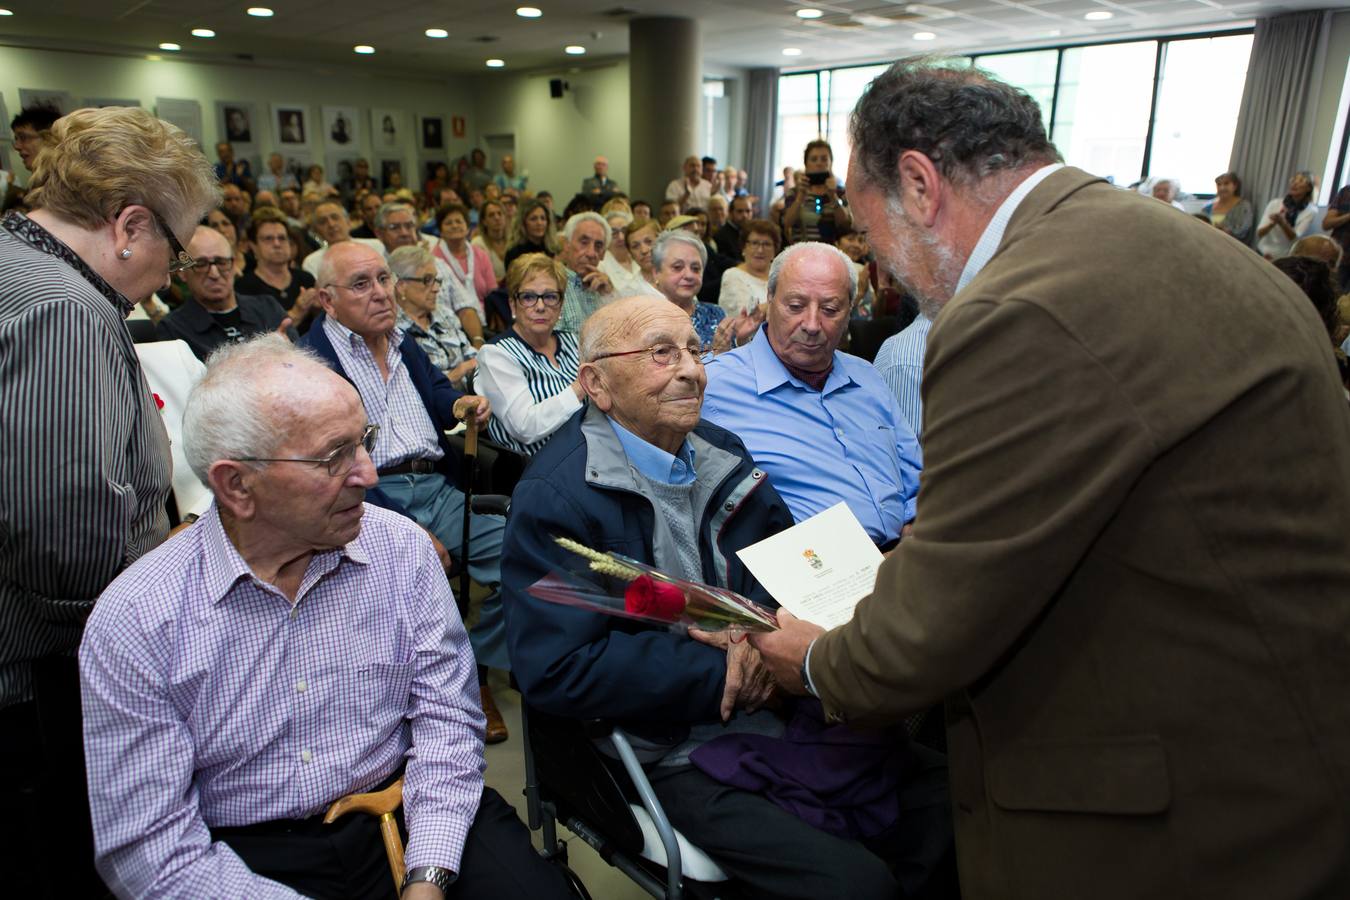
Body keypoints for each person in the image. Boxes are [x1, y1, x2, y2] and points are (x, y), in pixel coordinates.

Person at [750, 57, 1350, 898]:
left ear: (919, 185)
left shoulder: (1015, 308)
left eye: (867, 227)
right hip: (1282, 760)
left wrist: (812, 661)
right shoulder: (1193, 248)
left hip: (1164, 820)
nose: (877, 267)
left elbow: (928, 636)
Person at [80, 335, 573, 900]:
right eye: (333, 456)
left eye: (363, 441)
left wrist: (428, 873)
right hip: (250, 855)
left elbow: (447, 723)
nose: (367, 474)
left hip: (415, 802)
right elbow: (150, 851)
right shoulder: (139, 616)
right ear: (236, 485)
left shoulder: (399, 549)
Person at [502, 294, 949, 900]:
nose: (691, 369)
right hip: (665, 747)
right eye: (662, 354)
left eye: (694, 349)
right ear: (597, 385)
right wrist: (721, 668)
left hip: (774, 708)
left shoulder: (721, 452)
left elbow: (782, 568)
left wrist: (784, 628)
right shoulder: (559, 497)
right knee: (854, 883)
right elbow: (558, 668)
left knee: (947, 806)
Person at [0, 104, 218, 896]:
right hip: (36, 678)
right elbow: (63, 532)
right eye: (177, 247)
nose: (170, 275)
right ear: (129, 225)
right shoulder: (67, 308)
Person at [299, 242, 512, 744]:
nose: (380, 293)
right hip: (367, 497)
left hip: (437, 486)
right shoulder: (311, 360)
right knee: (419, 570)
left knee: (520, 554)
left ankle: (472, 669)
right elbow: (334, 467)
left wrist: (460, 403)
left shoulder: (402, 341)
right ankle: (421, 695)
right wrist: (410, 530)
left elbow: (437, 392)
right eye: (361, 284)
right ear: (327, 301)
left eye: (384, 279)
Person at [703, 242, 921, 547]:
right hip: (813, 575)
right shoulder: (714, 384)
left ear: (850, 311)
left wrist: (915, 528)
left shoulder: (866, 376)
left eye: (830, 310)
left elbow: (913, 468)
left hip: (907, 556)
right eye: (795, 306)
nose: (811, 324)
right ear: (770, 299)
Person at [476, 254, 584, 455]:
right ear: (512, 305)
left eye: (550, 296)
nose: (541, 306)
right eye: (528, 297)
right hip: (541, 469)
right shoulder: (496, 355)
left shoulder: (572, 341)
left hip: (589, 455)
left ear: (561, 304)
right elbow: (525, 427)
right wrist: (581, 387)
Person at [158, 226, 298, 359]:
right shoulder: (173, 329)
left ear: (234, 265)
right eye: (201, 264)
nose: (214, 274)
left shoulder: (267, 308)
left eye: (221, 262)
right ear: (182, 273)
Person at [377, 201, 486, 346]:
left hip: (456, 340)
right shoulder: (378, 272)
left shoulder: (437, 264)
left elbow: (465, 307)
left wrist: (478, 342)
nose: (404, 232)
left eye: (409, 226)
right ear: (379, 233)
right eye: (395, 227)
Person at [390, 244, 478, 390]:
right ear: (401, 286)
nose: (437, 289)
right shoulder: (393, 330)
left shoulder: (444, 315)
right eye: (427, 280)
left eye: (436, 280)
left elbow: (471, 356)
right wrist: (453, 376)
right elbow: (410, 388)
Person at [235, 206, 320, 330]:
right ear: (253, 246)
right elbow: (255, 337)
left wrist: (319, 309)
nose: (277, 244)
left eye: (282, 238)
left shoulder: (305, 278)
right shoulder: (244, 288)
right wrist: (296, 313)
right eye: (268, 239)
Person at [651, 229, 724, 349]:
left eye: (695, 268)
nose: (689, 275)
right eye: (678, 267)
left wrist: (741, 338)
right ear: (656, 272)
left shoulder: (715, 314)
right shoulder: (645, 319)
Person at [782, 140, 852, 244]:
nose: (819, 163)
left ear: (830, 163)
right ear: (806, 164)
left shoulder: (840, 192)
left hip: (831, 253)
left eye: (824, 159)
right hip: (800, 253)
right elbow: (787, 223)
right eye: (814, 159)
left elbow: (845, 225)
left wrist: (833, 196)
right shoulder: (795, 192)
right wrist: (800, 197)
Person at [556, 211, 615, 333]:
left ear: (603, 254)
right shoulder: (553, 285)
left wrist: (609, 296)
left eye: (598, 246)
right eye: (584, 242)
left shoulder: (606, 290)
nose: (591, 253)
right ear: (567, 245)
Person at [434, 202, 498, 311]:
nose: (454, 226)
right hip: (450, 317)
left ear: (468, 228)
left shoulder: (480, 254)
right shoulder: (434, 259)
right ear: (441, 231)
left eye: (459, 221)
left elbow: (493, 291)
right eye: (448, 223)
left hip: (486, 315)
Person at [300, 200, 385, 277]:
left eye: (335, 217)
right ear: (317, 231)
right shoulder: (312, 262)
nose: (331, 224)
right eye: (323, 222)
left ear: (348, 221)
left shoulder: (376, 246)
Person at [717, 217, 779, 319]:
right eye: (754, 243)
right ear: (743, 248)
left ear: (775, 250)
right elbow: (745, 315)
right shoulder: (732, 276)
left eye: (767, 244)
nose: (760, 250)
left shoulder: (780, 275)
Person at [1256, 170, 1318, 259]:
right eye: (1293, 180)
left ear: (1309, 188)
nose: (1295, 183)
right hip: (1262, 252)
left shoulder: (1311, 211)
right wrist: (1272, 224)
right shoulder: (1275, 203)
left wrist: (1282, 223)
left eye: (1301, 181)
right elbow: (1259, 233)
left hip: (1283, 258)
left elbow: (1295, 239)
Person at [503, 198, 558, 270]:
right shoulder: (514, 253)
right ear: (523, 223)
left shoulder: (553, 249)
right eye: (533, 219)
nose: (539, 223)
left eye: (543, 218)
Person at [9, 102, 62, 176]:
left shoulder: (73, 183)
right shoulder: (42, 182)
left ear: (51, 138)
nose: (16, 147)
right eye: (16, 139)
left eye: (23, 138)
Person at [1203, 171, 1254, 243]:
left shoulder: (1244, 206)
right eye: (1219, 184)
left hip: (1232, 246)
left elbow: (1243, 231)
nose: (1222, 188)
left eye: (1226, 184)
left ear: (1235, 186)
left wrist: (1224, 230)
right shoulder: (1208, 205)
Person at [204, 207, 249, 278]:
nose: (222, 230)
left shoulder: (254, 261)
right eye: (214, 226)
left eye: (226, 224)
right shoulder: (204, 268)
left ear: (235, 227)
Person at [713, 194, 753, 264]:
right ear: (730, 213)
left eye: (748, 211)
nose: (745, 215)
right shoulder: (720, 236)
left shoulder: (754, 233)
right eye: (740, 211)